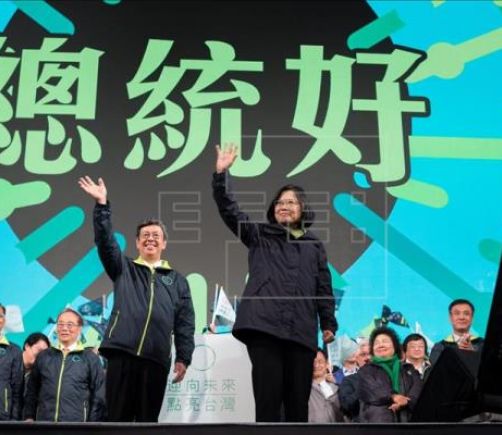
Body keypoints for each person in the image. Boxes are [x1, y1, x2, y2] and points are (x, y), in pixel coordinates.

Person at [212, 145, 337, 422]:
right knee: (267, 402)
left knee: (297, 405)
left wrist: (328, 322)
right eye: (280, 202)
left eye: (291, 202)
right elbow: (229, 210)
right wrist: (221, 175)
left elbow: (323, 287)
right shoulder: (259, 234)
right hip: (264, 328)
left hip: (301, 331)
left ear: (303, 209)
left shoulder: (314, 245)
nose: (284, 206)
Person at [79, 176, 195, 422]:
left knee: (147, 423)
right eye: (145, 235)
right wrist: (102, 205)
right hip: (122, 354)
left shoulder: (178, 281)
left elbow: (185, 323)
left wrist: (184, 357)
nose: (150, 238)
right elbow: (105, 241)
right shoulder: (124, 267)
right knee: (117, 421)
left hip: (156, 359)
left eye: (156, 235)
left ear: (164, 243)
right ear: (137, 243)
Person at [24, 308, 106, 422]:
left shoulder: (90, 358)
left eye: (70, 324)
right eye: (60, 324)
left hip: (76, 426)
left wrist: (92, 425)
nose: (64, 328)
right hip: (44, 424)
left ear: (79, 329)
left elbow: (98, 395)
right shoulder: (44, 356)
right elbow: (32, 390)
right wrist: (29, 416)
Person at [357, 327, 422, 422]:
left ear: (395, 346)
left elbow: (418, 391)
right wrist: (393, 397)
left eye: (385, 341)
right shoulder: (366, 370)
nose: (381, 345)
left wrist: (407, 401)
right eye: (376, 343)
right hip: (378, 424)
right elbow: (372, 390)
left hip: (409, 423)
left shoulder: (409, 370)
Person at [429, 299, 484, 365]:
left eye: (466, 313)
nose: (461, 317)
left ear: (472, 318)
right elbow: (435, 369)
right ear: (450, 318)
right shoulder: (439, 347)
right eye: (457, 313)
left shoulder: (482, 344)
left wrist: (473, 354)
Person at [0, 303, 23, 421]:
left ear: (4, 320)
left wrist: (14, 420)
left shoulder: (14, 351)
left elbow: (17, 389)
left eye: (0, 316)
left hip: (3, 418)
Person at [308, 349, 344, 423]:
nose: (316, 365)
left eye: (320, 361)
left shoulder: (337, 388)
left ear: (327, 364)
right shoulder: (303, 389)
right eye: (312, 362)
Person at [338, 338, 370, 421]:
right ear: (356, 358)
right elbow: (346, 406)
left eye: (371, 354)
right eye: (363, 355)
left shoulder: (386, 377)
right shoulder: (348, 381)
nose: (367, 358)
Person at [21, 333, 50, 403]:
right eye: (39, 350)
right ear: (27, 346)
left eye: (44, 353)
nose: (41, 355)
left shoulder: (39, 376)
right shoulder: (7, 363)